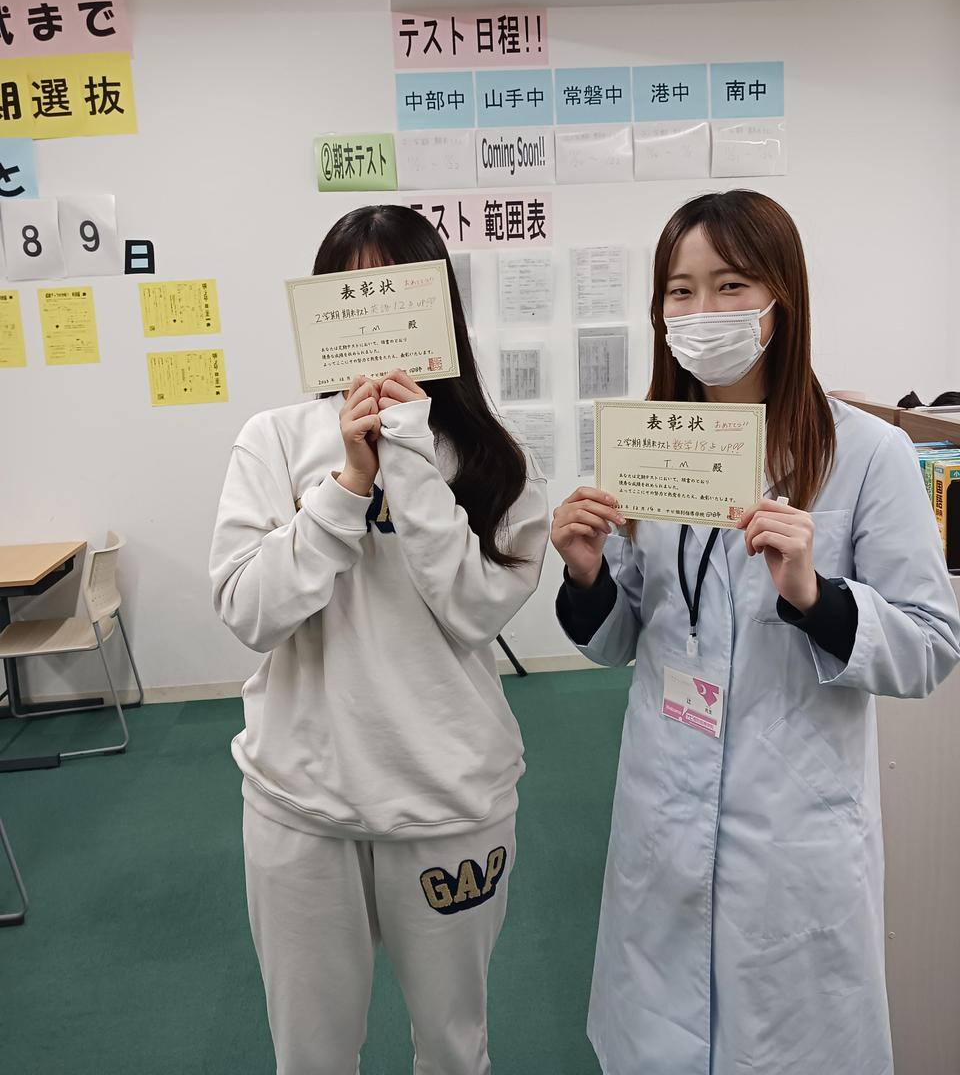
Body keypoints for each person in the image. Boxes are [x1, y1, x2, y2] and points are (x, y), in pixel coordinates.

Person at [551, 189, 960, 1074]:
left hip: (791, 826)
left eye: (731, 285)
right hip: (662, 805)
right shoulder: (651, 445)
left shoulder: (868, 455)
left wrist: (816, 596)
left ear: (783, 297)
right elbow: (623, 635)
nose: (703, 312)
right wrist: (586, 574)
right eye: (681, 291)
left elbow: (931, 643)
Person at [210, 205, 550, 1075]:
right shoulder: (274, 439)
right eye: (347, 295)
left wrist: (408, 459)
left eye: (393, 294)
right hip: (301, 801)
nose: (370, 320)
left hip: (451, 801)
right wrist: (348, 486)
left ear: (438, 311)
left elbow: (475, 610)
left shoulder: (496, 459)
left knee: (454, 1047)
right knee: (311, 1056)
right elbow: (249, 610)